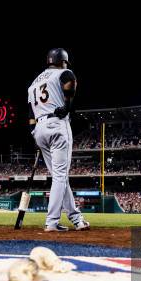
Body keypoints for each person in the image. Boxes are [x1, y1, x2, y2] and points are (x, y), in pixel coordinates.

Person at [28, 48, 89, 232]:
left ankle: (76, 218)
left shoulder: (33, 84)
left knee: (59, 177)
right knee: (60, 177)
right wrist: (68, 106)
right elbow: (70, 80)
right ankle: (52, 222)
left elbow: (31, 114)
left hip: (39, 128)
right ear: (63, 61)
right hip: (56, 124)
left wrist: (34, 132)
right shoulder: (64, 72)